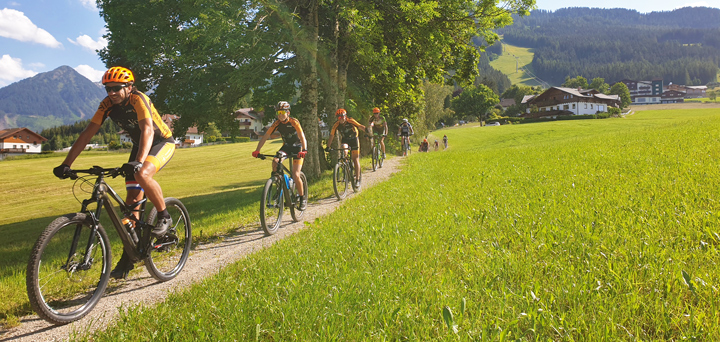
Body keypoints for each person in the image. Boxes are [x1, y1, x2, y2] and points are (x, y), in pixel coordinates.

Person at [52, 66, 176, 280]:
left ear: (129, 87)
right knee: (131, 206)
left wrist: (138, 162)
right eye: (108, 89)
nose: (111, 93)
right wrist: (66, 164)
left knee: (143, 174)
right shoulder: (107, 105)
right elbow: (87, 133)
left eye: (117, 88)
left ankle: (165, 216)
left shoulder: (139, 99)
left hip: (161, 142)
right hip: (139, 147)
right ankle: (130, 255)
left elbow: (147, 129)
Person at [252, 101, 308, 210]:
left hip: (298, 147)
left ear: (288, 112)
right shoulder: (276, 123)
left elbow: (302, 137)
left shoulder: (294, 122)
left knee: (296, 174)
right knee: (275, 161)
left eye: (282, 112)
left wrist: (304, 150)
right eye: (278, 112)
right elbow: (265, 137)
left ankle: (302, 198)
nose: (280, 115)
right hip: (286, 147)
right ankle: (278, 186)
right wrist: (257, 150)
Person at [326, 108, 366, 188]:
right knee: (344, 150)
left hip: (354, 139)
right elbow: (331, 135)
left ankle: (357, 179)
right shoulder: (336, 125)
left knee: (355, 159)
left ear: (345, 116)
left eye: (342, 116)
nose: (341, 118)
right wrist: (328, 146)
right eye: (339, 117)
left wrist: (367, 131)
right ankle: (346, 164)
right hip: (345, 140)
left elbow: (360, 126)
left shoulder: (350, 121)